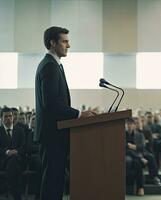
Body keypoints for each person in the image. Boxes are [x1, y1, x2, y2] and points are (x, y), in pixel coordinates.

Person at [35, 26, 95, 200]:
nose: (68, 45)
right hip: (53, 134)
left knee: (55, 182)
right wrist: (79, 114)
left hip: (55, 133)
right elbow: (52, 104)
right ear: (52, 43)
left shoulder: (54, 65)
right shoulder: (49, 66)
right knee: (52, 183)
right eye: (65, 41)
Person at [0, 107, 26, 200]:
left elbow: (24, 147)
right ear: (1, 118)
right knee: (13, 164)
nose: (8, 118)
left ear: (13, 117)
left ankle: (12, 191)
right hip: (3, 161)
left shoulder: (20, 130)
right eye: (6, 116)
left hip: (18, 159)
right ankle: (17, 195)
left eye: (10, 116)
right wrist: (7, 152)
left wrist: (16, 151)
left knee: (14, 161)